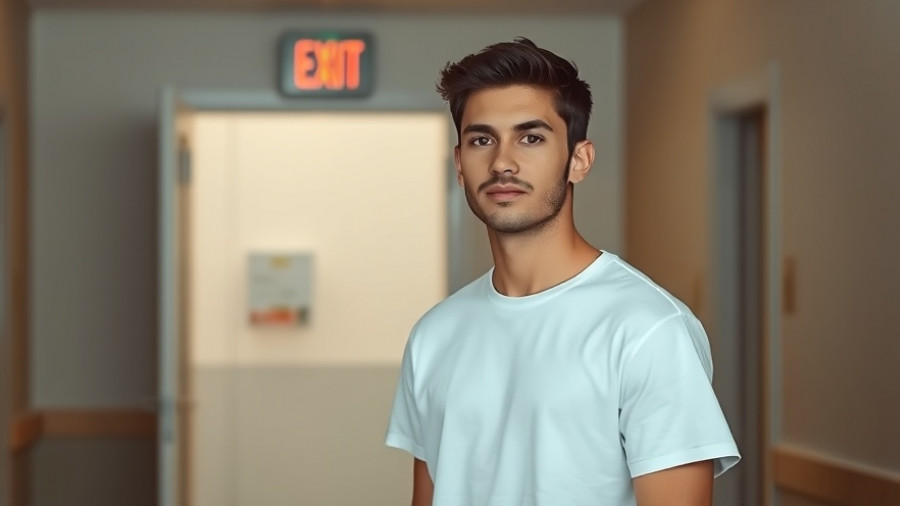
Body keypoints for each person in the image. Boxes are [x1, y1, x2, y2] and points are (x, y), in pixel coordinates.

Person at [385, 37, 740, 506]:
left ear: (579, 160)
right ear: (459, 165)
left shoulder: (648, 329)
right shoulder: (435, 334)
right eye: (481, 140)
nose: (502, 162)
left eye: (531, 138)